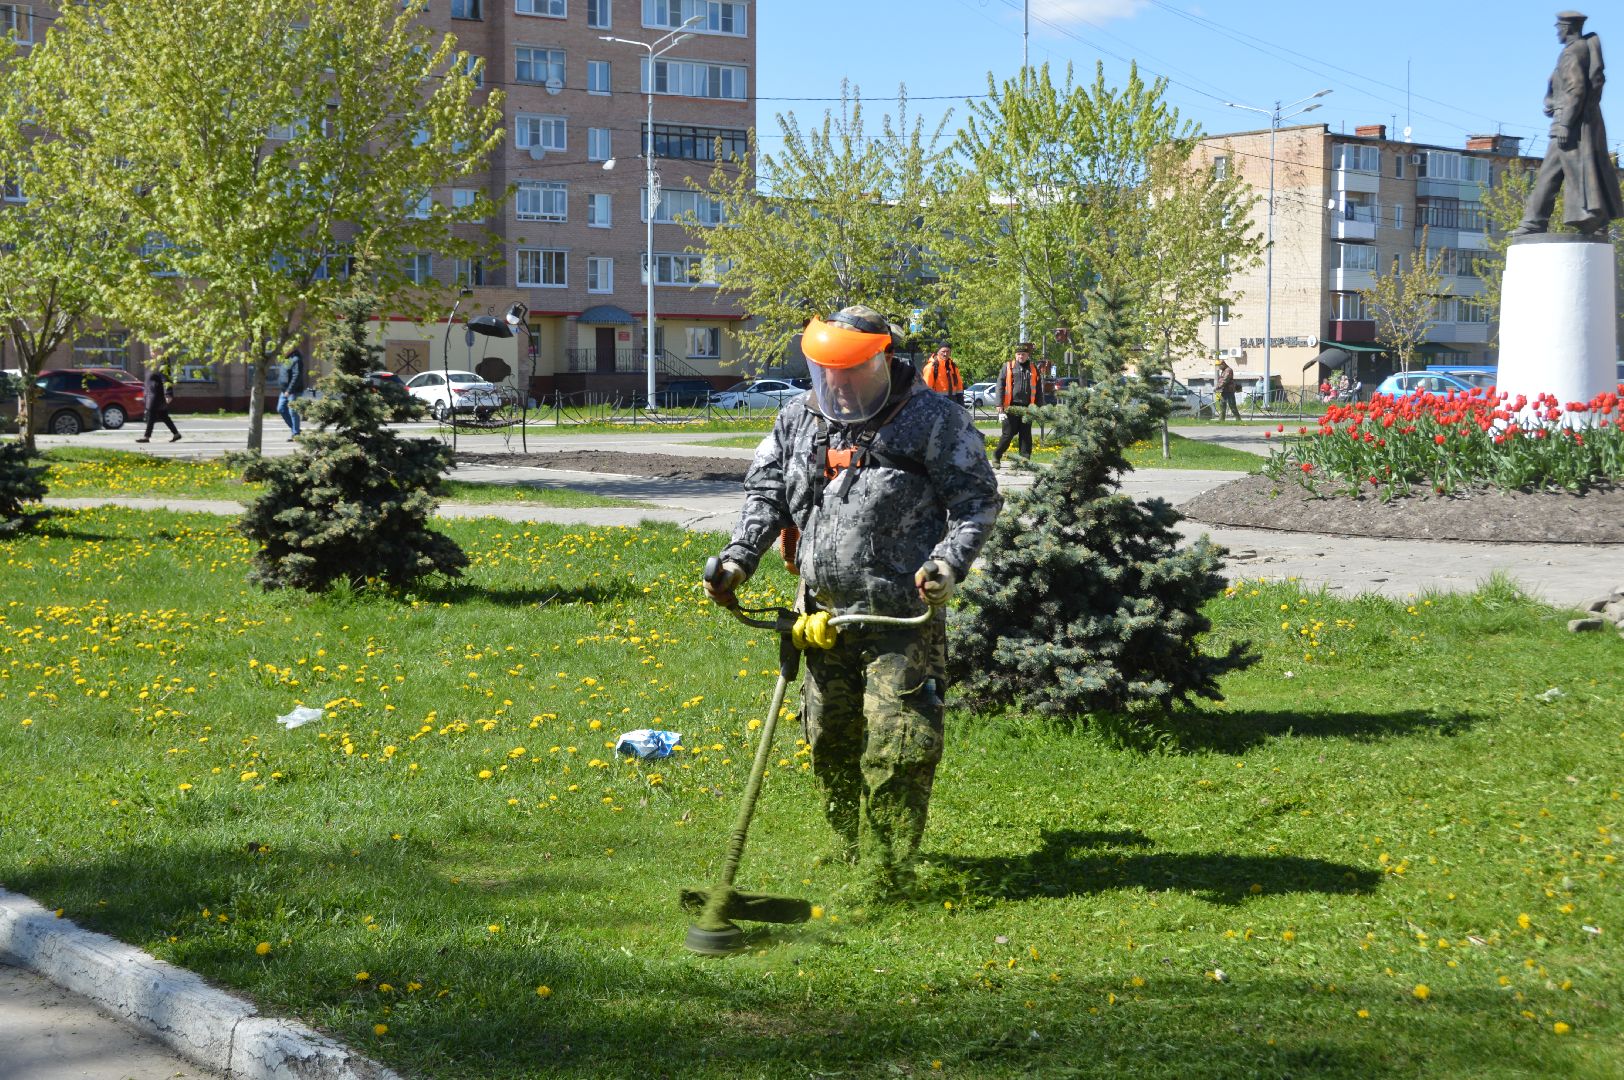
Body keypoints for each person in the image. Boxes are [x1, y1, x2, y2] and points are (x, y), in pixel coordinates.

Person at [705, 304, 1002, 897]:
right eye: (826, 373)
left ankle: (888, 868)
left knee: (899, 746)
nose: (836, 386)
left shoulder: (933, 420)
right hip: (824, 617)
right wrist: (739, 558)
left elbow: (976, 501)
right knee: (828, 741)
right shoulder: (800, 418)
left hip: (899, 615)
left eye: (849, 373)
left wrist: (947, 562)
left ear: (882, 361)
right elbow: (767, 492)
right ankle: (847, 846)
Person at [1515, 11, 1624, 235]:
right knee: (1576, 172)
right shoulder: (1583, 49)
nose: (1557, 31)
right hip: (1579, 123)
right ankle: (1594, 219)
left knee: (1552, 174)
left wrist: (1565, 123)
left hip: (1569, 126)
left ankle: (1535, 222)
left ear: (1567, 28)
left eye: (1559, 27)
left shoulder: (1572, 52)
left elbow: (1577, 89)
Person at [991, 342, 1045, 468]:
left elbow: (1038, 389)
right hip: (1011, 406)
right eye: (1019, 354)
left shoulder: (1033, 368)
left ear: (1027, 355)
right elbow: (1000, 386)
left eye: (1024, 354)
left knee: (1026, 435)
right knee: (1008, 434)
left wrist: (1040, 406)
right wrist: (999, 404)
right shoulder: (1008, 366)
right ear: (1016, 355)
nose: (1021, 356)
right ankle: (996, 456)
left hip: (1027, 407)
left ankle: (1024, 461)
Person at [135, 362, 180, 443]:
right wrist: (144, 395)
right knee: (164, 416)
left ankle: (146, 436)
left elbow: (166, 380)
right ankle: (176, 434)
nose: (152, 352)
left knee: (151, 416)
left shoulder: (162, 365)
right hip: (151, 395)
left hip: (156, 396)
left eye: (153, 350)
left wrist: (168, 394)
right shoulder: (152, 365)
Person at [277, 348, 306, 437]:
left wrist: (289, 390)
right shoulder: (287, 360)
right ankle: (295, 430)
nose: (283, 350)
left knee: (293, 411)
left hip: (293, 391)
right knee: (281, 409)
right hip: (284, 391)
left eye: (285, 348)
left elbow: (296, 375)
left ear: (291, 349)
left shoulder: (296, 359)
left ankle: (295, 433)